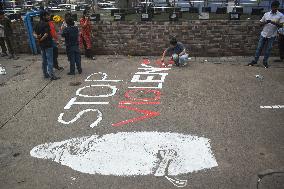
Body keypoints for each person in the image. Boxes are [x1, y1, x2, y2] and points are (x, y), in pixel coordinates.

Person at [248, 1, 284, 68]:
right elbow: (260, 24)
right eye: (273, 7)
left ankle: (265, 62)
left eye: (276, 7)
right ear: (271, 7)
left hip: (272, 35)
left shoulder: (281, 15)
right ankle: (255, 60)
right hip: (263, 34)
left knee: (268, 49)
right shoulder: (266, 14)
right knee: (259, 48)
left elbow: (281, 25)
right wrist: (265, 22)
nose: (274, 8)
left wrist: (273, 22)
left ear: (277, 7)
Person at [34, 11, 60, 80]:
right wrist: (41, 39)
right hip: (48, 44)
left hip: (41, 45)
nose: (49, 17)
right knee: (50, 60)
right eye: (47, 15)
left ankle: (45, 74)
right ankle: (52, 75)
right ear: (43, 16)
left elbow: (34, 33)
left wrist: (37, 37)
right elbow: (46, 34)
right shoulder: (46, 24)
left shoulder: (37, 24)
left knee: (44, 60)